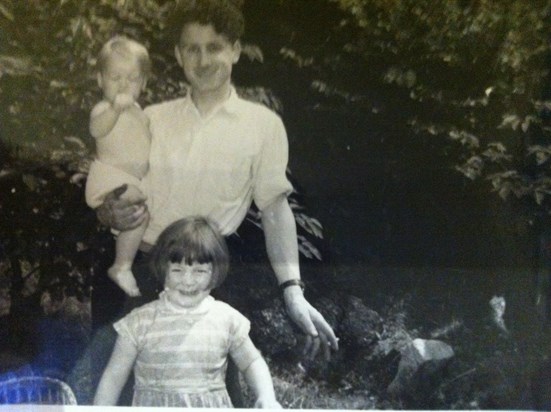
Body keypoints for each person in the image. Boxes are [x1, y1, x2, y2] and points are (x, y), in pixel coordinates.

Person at [89, 0, 338, 362]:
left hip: (207, 280)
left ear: (235, 51)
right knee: (114, 391)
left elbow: (274, 209)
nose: (203, 61)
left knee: (211, 394)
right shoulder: (147, 119)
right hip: (136, 273)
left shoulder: (263, 125)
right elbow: (111, 179)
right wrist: (106, 213)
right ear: (178, 54)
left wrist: (293, 291)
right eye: (192, 49)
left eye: (214, 48)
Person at [93, 216, 281, 408]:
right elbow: (113, 376)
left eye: (199, 271)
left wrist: (266, 396)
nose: (188, 280)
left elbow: (252, 363)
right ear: (163, 269)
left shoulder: (226, 319)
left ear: (215, 273)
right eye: (177, 270)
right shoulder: (139, 322)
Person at [86, 36, 151, 297]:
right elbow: (96, 129)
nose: (124, 84)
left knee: (141, 215)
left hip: (129, 180)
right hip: (109, 177)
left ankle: (123, 263)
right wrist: (114, 109)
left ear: (143, 83)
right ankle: (121, 266)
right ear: (101, 80)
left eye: (132, 78)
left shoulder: (141, 113)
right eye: (115, 77)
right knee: (137, 206)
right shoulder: (103, 109)